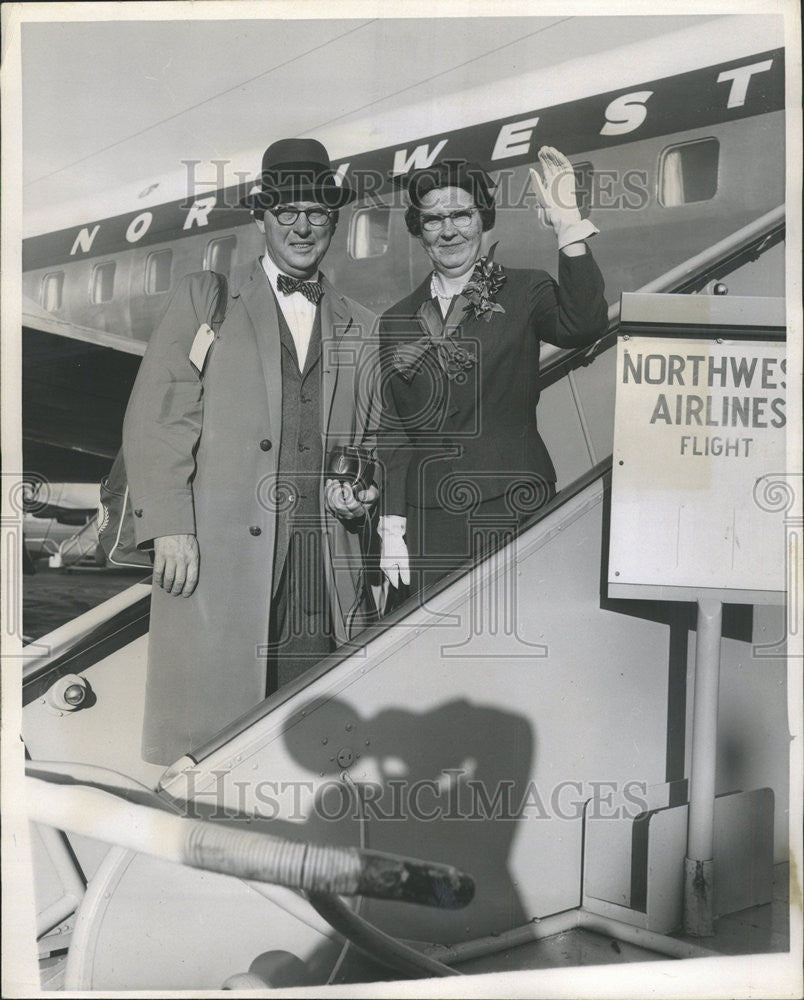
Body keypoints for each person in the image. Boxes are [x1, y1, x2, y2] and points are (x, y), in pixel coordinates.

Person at [123, 138, 381, 764]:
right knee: (209, 749)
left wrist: (361, 494)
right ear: (261, 217)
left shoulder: (361, 323)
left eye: (316, 212)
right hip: (219, 559)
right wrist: (170, 529)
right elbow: (160, 417)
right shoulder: (205, 298)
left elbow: (370, 442)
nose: (301, 226)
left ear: (333, 223)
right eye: (286, 210)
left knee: (315, 751)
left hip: (320, 565)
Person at [377, 147, 608, 598]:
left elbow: (584, 324)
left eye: (462, 215)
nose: (449, 231)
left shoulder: (526, 289)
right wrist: (391, 521)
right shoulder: (396, 320)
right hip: (431, 517)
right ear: (419, 232)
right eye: (432, 221)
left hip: (516, 499)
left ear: (483, 220)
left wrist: (569, 229)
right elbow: (396, 429)